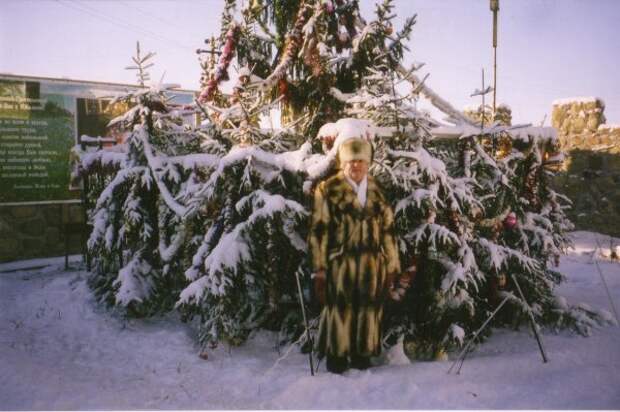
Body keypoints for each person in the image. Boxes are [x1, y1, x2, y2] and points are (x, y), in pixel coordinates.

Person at [309, 137, 401, 373]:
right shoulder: (328, 189)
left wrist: (392, 266)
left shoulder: (377, 191)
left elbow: (389, 231)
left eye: (361, 161)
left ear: (368, 163)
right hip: (340, 263)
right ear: (343, 163)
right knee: (339, 309)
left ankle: (362, 355)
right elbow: (319, 230)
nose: (356, 166)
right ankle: (337, 358)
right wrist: (320, 269)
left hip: (372, 264)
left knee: (368, 309)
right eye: (351, 161)